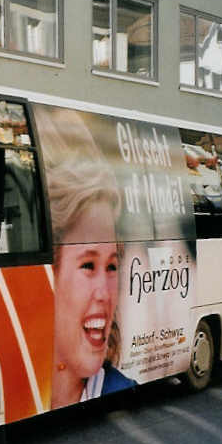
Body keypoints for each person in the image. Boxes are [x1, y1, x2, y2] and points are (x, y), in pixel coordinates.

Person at [47, 157, 135, 409]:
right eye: (88, 265)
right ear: (50, 274)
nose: (104, 294)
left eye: (111, 267)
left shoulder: (123, 391)